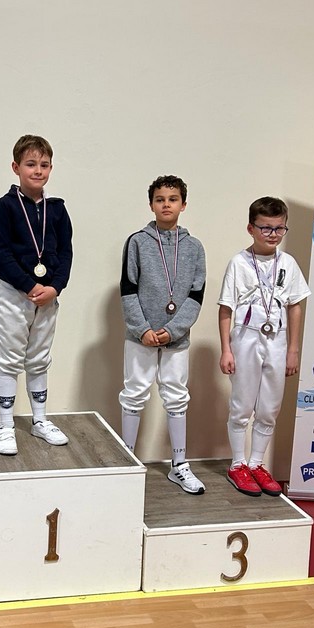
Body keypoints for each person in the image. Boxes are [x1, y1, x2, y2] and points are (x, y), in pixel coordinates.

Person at [119, 175, 206, 494]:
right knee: (134, 392)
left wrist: (173, 330)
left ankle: (179, 464)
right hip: (140, 336)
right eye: (160, 199)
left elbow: (196, 295)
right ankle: (127, 462)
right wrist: (142, 329)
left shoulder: (194, 248)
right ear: (151, 204)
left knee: (176, 395)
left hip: (176, 339)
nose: (166, 204)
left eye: (172, 199)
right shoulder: (137, 242)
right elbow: (127, 289)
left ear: (183, 205)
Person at [218, 197, 310, 497]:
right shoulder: (239, 263)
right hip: (246, 337)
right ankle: (238, 464)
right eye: (265, 228)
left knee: (270, 407)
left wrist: (293, 349)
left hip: (278, 339)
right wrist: (226, 349)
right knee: (242, 405)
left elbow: (295, 306)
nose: (272, 234)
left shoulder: (288, 263)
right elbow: (226, 309)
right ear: (251, 228)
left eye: (279, 228)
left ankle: (256, 463)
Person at [0, 135, 73, 455]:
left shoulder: (58, 209)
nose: (38, 170)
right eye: (30, 164)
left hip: (48, 298)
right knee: (9, 359)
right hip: (16, 295)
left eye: (44, 164)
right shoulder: (6, 207)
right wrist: (29, 285)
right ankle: (6, 425)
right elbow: (1, 255)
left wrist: (55, 287)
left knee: (39, 359)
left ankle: (39, 420)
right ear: (16, 167)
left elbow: (65, 253)